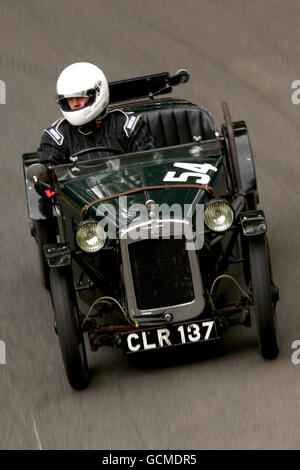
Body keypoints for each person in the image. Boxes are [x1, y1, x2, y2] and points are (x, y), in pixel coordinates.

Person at [37, 62, 154, 166]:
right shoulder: (57, 137)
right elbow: (46, 179)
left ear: (97, 94)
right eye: (70, 99)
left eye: (80, 98)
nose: (75, 104)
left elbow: (149, 166)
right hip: (82, 190)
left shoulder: (128, 126)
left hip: (127, 188)